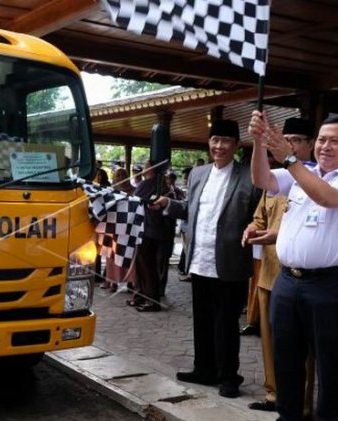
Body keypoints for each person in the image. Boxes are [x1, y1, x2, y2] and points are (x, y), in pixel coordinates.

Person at [245, 112, 338, 421]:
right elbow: (262, 178)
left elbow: (328, 199)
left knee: (331, 366)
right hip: (290, 280)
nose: (325, 146)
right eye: (321, 139)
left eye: (334, 140)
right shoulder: (304, 172)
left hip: (332, 285)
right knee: (286, 357)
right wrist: (260, 143)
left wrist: (288, 158)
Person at [153, 120, 261, 398]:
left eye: (225, 141)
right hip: (200, 260)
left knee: (226, 324)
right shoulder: (198, 174)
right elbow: (190, 209)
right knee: (201, 320)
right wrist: (168, 204)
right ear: (209, 142)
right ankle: (203, 369)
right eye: (215, 140)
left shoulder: (249, 177)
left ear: (236, 145)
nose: (219, 146)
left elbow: (259, 216)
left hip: (230, 262)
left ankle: (229, 377)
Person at [242, 118, 317, 421]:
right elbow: (260, 217)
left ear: (310, 144)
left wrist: (275, 235)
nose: (291, 145)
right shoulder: (275, 179)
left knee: (305, 347)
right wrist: (251, 229)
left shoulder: (315, 179)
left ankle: (303, 405)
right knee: (271, 339)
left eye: (298, 139)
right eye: (286, 138)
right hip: (270, 272)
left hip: (301, 273)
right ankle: (273, 394)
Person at [128, 159, 167, 312]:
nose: (143, 169)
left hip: (146, 229)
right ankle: (140, 296)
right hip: (153, 229)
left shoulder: (148, 184)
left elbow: (133, 201)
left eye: (145, 166)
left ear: (150, 169)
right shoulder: (160, 184)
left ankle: (151, 300)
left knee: (146, 266)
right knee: (143, 265)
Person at [103, 167, 135, 291]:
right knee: (112, 256)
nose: (121, 177)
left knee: (128, 256)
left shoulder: (134, 190)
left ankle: (131, 282)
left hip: (129, 229)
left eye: (123, 175)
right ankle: (112, 282)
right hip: (113, 228)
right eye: (118, 175)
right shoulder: (109, 191)